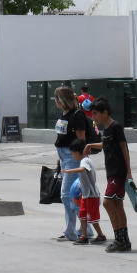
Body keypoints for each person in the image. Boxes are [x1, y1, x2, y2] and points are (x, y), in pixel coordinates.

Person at [85, 96, 132, 252]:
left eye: (96, 113)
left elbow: (124, 148)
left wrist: (129, 172)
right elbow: (105, 144)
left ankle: (119, 239)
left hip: (118, 172)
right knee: (117, 204)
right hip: (112, 172)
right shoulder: (106, 130)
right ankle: (124, 240)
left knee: (107, 202)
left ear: (105, 113)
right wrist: (90, 145)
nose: (94, 117)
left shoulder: (115, 127)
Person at [52, 86, 94, 242]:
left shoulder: (77, 115)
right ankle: (85, 230)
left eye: (56, 98)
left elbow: (81, 140)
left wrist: (76, 157)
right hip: (64, 156)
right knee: (74, 195)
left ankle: (72, 231)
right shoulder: (64, 113)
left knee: (68, 195)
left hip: (73, 156)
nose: (55, 101)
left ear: (61, 99)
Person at [64, 138, 106, 245]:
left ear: (77, 153)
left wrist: (69, 171)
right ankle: (84, 236)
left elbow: (82, 169)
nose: (73, 156)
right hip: (85, 195)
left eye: (73, 154)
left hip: (91, 195)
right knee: (82, 215)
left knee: (91, 217)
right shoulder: (85, 159)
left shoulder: (85, 160)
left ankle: (101, 235)